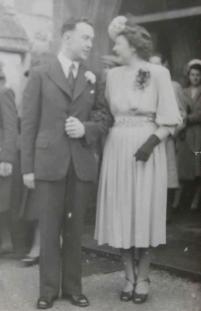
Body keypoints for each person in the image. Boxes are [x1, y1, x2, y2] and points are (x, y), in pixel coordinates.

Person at [21, 18, 111, 309]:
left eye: (91, 39)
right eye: (85, 38)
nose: (89, 44)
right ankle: (47, 290)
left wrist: (87, 129)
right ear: (67, 38)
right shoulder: (40, 73)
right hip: (49, 164)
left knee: (75, 232)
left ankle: (73, 288)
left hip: (80, 164)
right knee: (49, 230)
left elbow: (103, 117)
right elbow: (29, 123)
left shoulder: (92, 76)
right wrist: (27, 168)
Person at [95, 15, 181, 304]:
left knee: (144, 211)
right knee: (121, 211)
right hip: (117, 149)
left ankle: (143, 277)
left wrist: (152, 142)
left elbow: (171, 119)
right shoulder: (112, 76)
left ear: (132, 45)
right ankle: (128, 276)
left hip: (146, 149)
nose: (114, 48)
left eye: (118, 43)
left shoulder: (158, 73)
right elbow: (106, 113)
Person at [149, 54, 187, 222]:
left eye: (158, 65)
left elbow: (182, 114)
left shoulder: (173, 86)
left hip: (166, 139)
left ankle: (165, 216)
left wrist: (171, 131)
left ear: (165, 66)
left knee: (167, 177)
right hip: (147, 137)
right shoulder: (145, 84)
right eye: (151, 65)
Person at [177, 59, 201, 212]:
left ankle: (195, 201)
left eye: (198, 75)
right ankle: (181, 202)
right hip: (186, 133)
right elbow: (179, 108)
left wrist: (188, 117)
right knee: (185, 168)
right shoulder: (183, 92)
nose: (195, 78)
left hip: (199, 132)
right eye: (193, 75)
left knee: (198, 166)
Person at [0, 67, 18, 254]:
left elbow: (11, 126)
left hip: (1, 155)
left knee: (3, 203)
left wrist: (6, 157)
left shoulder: (4, 92)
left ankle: (7, 242)